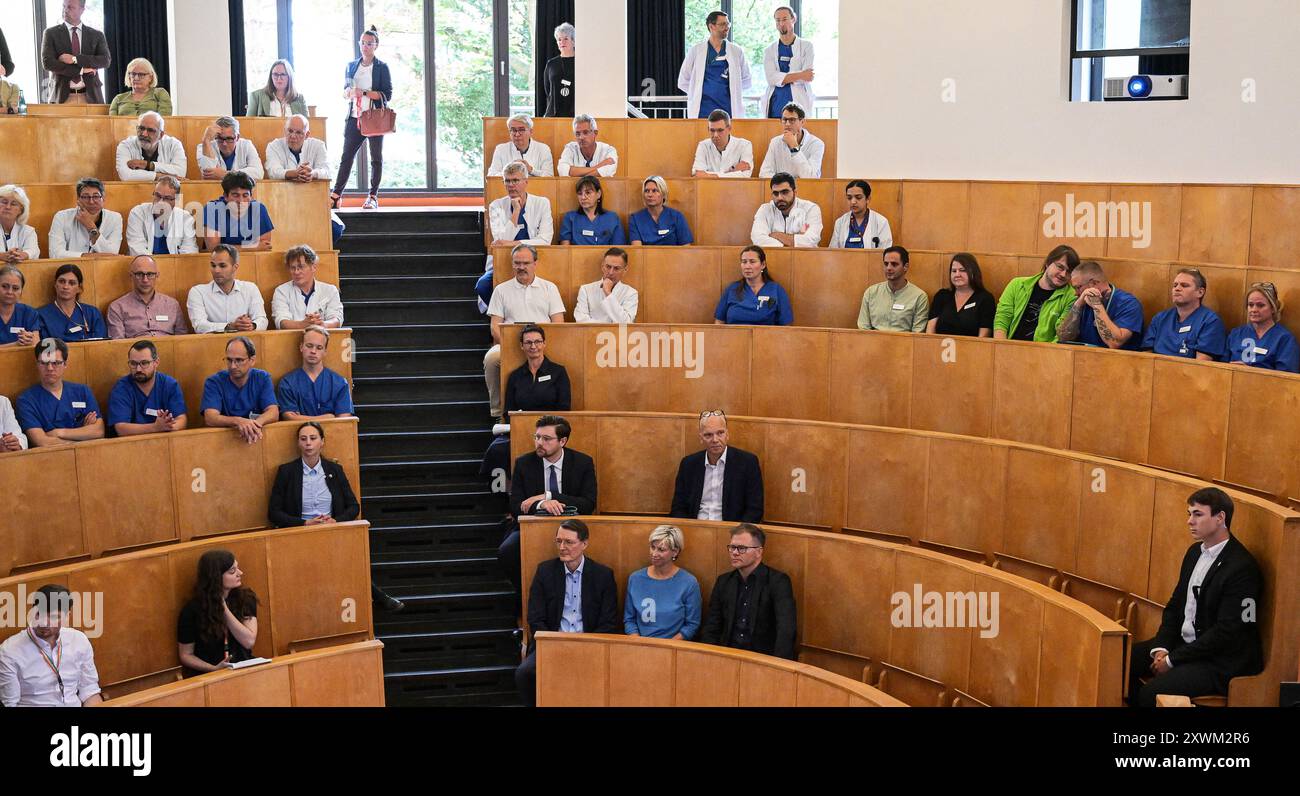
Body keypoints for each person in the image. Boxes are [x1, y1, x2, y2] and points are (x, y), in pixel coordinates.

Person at [1127, 488, 1262, 707]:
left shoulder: (1242, 568)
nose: (1190, 521)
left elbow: (1228, 632)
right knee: (1115, 662)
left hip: (1219, 661)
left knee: (1150, 694)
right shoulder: (1193, 553)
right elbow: (1174, 607)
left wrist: (1173, 660)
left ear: (1220, 518)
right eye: (1189, 514)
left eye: (1198, 514)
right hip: (1187, 645)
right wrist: (1161, 648)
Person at [515, 518, 619, 706]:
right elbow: (535, 618)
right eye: (559, 541)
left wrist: (586, 647)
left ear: (584, 544)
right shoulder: (545, 571)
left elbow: (608, 622)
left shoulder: (603, 575)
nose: (562, 547)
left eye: (569, 542)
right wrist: (554, 645)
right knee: (524, 674)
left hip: (590, 646)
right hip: (552, 644)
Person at [500, 415, 598, 597]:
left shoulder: (582, 462)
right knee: (507, 551)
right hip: (532, 523)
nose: (539, 443)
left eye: (546, 439)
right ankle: (524, 595)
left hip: (571, 526)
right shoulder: (524, 463)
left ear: (563, 441)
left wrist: (550, 495)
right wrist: (543, 503)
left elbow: (588, 504)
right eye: (537, 437)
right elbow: (515, 506)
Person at [484, 243, 566, 422]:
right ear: (512, 264)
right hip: (509, 344)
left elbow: (559, 324)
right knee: (491, 359)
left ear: (535, 263)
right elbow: (494, 327)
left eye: (526, 263)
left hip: (543, 344)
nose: (521, 267)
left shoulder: (549, 288)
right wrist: (512, 347)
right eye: (517, 263)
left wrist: (538, 344)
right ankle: (499, 414)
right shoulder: (501, 290)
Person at [699, 523, 797, 660]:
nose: (734, 552)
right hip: (726, 657)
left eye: (742, 548)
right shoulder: (724, 582)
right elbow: (712, 627)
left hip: (763, 661)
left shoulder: (778, 582)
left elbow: (786, 630)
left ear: (759, 552)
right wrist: (708, 658)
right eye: (732, 547)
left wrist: (777, 667)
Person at [0, 585, 102, 706]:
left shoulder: (79, 640)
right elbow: (10, 704)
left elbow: (89, 690)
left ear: (66, 617)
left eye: (53, 617)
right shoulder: (9, 651)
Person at [331, 26, 392, 210]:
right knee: (346, 156)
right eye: (363, 43)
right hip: (354, 117)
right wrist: (348, 93)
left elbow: (386, 95)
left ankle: (373, 196)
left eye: (369, 43)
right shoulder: (351, 65)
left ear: (376, 45)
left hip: (373, 117)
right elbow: (345, 90)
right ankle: (336, 195)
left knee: (376, 158)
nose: (365, 46)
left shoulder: (382, 67)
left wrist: (363, 92)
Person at [670, 410, 764, 522]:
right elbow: (678, 508)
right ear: (701, 438)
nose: (715, 440)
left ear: (727, 434)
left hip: (732, 532)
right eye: (708, 435)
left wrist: (738, 535)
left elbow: (755, 510)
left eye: (720, 433)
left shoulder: (747, 463)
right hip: (696, 529)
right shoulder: (688, 464)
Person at [177, 550, 259, 676]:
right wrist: (213, 669)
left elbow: (248, 641)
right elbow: (186, 655)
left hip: (244, 668)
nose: (240, 573)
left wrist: (223, 608)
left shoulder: (246, 599)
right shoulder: (192, 610)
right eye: (232, 571)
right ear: (215, 577)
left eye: (237, 568)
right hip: (208, 675)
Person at [268, 420, 361, 527]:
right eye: (303, 439)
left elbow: (354, 507)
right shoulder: (286, 471)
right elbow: (273, 513)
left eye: (313, 438)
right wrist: (304, 523)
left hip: (331, 529)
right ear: (298, 442)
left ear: (322, 441)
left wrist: (336, 521)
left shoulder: (335, 470)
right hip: (299, 532)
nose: (308, 443)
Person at [17, 337, 104, 447]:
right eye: (44, 363)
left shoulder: (82, 391)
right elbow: (42, 441)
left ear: (65, 364)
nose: (49, 368)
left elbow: (99, 431)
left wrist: (58, 432)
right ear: (37, 364)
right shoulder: (26, 400)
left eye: (56, 363)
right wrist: (83, 435)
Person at [624, 525, 702, 640]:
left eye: (661, 550)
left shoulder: (689, 583)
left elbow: (692, 625)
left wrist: (668, 647)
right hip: (640, 646)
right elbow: (629, 620)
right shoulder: (635, 579)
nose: (654, 553)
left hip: (673, 648)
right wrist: (638, 643)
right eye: (652, 547)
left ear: (675, 552)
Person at [200, 336, 279, 444]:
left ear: (252, 360)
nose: (233, 366)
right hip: (224, 443)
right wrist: (238, 421)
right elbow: (210, 418)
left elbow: (273, 412)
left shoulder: (262, 378)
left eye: (239, 360)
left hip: (256, 440)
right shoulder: (214, 382)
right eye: (229, 360)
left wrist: (253, 424)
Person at [993, 244, 1079, 343]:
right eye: (1060, 267)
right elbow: (1002, 319)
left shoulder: (1072, 296)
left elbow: (1061, 335)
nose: (1063, 274)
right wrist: (1001, 347)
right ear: (1048, 263)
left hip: (1044, 353)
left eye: (1069, 271)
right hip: (1010, 347)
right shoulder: (1017, 284)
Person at [1055, 260, 1145, 350]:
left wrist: (1096, 304)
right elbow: (1063, 337)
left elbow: (1114, 342)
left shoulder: (1129, 303)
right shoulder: (1082, 301)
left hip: (1117, 361)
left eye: (1078, 287)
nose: (1075, 293)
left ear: (1094, 283)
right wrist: (1078, 305)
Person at [1141, 268, 1228, 361]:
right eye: (1175, 285)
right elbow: (1146, 356)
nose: (1177, 289)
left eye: (1184, 285)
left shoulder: (1210, 321)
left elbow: (1202, 365)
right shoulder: (1160, 318)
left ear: (1200, 292)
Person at [679, 10, 752, 120]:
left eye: (728, 24)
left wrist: (733, 90)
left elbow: (747, 80)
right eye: (723, 24)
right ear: (711, 26)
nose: (727, 27)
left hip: (729, 111)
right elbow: (683, 81)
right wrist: (697, 92)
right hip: (702, 110)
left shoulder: (736, 51)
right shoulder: (696, 51)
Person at [107, 339, 188, 437]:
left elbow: (181, 419)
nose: (138, 369)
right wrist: (155, 427)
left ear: (156, 362)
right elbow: (121, 428)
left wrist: (168, 426)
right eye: (133, 363)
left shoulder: (169, 384)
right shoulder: (121, 388)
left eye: (144, 363)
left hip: (165, 441)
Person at [187, 244, 269, 333]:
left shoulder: (250, 288)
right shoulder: (198, 292)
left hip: (244, 342)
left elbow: (262, 320)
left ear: (235, 267)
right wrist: (229, 326)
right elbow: (199, 326)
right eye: (213, 265)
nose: (216, 270)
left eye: (222, 266)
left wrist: (251, 325)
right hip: (211, 344)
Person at [277, 326, 354, 420]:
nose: (313, 351)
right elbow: (289, 417)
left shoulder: (340, 383)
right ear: (301, 347)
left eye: (319, 347)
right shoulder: (287, 383)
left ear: (325, 351)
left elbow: (343, 420)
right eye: (309, 346)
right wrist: (328, 417)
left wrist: (300, 417)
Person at [41, 0, 109, 105]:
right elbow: (48, 63)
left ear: (82, 10)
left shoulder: (96, 35)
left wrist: (75, 59)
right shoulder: (50, 33)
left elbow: (105, 60)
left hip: (91, 98)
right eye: (64, 6)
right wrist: (81, 70)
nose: (65, 10)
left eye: (70, 7)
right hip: (61, 97)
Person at [105, 255, 189, 337]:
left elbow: (182, 339)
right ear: (131, 275)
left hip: (169, 349)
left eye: (150, 274)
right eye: (139, 274)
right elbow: (118, 345)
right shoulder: (117, 308)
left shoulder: (172, 305)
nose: (145, 280)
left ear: (157, 275)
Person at [1227, 282, 1299, 372]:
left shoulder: (1285, 339)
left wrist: (1249, 373)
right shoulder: (1236, 334)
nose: (1254, 310)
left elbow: (1286, 379)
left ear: (1273, 308)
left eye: (1260, 305)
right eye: (1250, 305)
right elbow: (1220, 367)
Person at [857, 245, 929, 333]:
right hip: (874, 343)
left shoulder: (919, 297)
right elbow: (863, 328)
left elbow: (917, 334)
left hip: (905, 345)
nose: (889, 268)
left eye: (894, 264)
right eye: (886, 264)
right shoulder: (871, 292)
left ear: (905, 267)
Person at [715, 245, 793, 326]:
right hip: (734, 337)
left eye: (752, 262)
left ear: (763, 265)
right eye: (744, 262)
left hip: (766, 337)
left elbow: (786, 325)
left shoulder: (776, 290)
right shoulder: (732, 289)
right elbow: (719, 322)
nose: (747, 266)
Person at [272, 245, 344, 330]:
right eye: (293, 268)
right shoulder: (281, 291)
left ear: (313, 267)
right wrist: (303, 325)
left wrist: (322, 325)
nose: (296, 272)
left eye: (301, 267)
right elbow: (281, 321)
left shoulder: (330, 290)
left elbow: (336, 318)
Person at [48, 178, 123, 258]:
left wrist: (91, 226)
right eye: (85, 197)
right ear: (78, 199)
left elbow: (113, 253)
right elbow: (55, 254)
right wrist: (86, 256)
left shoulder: (115, 218)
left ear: (103, 198)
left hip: (102, 268)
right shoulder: (61, 217)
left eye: (96, 196)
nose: (91, 201)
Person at [504, 324, 571, 414]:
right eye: (528, 342)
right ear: (522, 346)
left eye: (537, 342)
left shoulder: (559, 372)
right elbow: (508, 412)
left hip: (551, 426)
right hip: (523, 427)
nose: (533, 346)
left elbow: (564, 409)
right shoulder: (515, 376)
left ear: (544, 343)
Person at [926, 253, 996, 337]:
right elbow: (930, 331)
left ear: (973, 272)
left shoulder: (985, 299)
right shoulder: (942, 295)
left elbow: (984, 336)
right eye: (954, 271)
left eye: (962, 270)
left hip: (972, 348)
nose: (957, 274)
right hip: (939, 348)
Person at [126, 174, 198, 255]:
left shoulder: (185, 218)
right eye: (158, 195)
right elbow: (137, 248)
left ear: (176, 200)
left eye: (167, 198)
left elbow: (190, 251)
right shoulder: (138, 213)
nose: (160, 202)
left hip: (174, 266)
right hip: (146, 265)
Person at [763, 6, 815, 119]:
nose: (781, 23)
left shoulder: (807, 46)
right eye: (778, 20)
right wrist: (800, 75)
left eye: (785, 19)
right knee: (774, 136)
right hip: (776, 104)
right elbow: (771, 78)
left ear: (793, 19)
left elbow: (809, 76)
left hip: (799, 102)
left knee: (799, 134)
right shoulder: (769, 50)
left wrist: (781, 78)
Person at [201, 172, 275, 250]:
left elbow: (265, 246)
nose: (241, 200)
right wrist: (251, 247)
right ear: (225, 196)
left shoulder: (259, 209)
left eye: (245, 195)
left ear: (251, 196)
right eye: (235, 195)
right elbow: (214, 248)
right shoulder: (212, 209)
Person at [36, 263, 107, 341]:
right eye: (62, 281)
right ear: (55, 285)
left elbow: (101, 344)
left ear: (79, 288)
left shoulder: (92, 313)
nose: (66, 287)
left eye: (72, 283)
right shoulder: (40, 315)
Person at [488, 164, 554, 246]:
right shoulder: (496, 206)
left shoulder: (542, 203)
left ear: (526, 182)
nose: (511, 185)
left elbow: (545, 240)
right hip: (505, 254)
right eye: (507, 181)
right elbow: (501, 243)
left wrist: (514, 244)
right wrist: (516, 211)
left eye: (515, 180)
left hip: (535, 254)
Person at [750, 172, 822, 248]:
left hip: (804, 258)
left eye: (784, 192)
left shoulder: (810, 209)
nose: (779, 197)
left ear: (795, 192)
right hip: (774, 257)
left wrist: (778, 235)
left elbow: (811, 240)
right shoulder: (765, 209)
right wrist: (791, 243)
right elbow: (758, 239)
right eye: (775, 193)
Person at [116, 111, 188, 181]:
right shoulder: (125, 145)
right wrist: (159, 176)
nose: (144, 134)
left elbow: (180, 173)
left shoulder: (174, 144)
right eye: (141, 128)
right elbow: (125, 175)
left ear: (161, 135)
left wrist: (147, 165)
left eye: (150, 130)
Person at [759, 102, 824, 178]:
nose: (787, 124)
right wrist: (786, 184)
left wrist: (794, 148)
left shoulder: (817, 144)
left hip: (806, 188)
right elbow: (764, 174)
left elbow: (811, 177)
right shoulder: (775, 142)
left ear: (802, 121)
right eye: (784, 119)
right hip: (781, 189)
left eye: (792, 120)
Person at [574, 247, 638, 323]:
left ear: (625, 270)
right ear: (602, 267)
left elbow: (626, 323)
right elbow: (580, 320)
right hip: (591, 334)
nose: (611, 272)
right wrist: (607, 326)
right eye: (608, 267)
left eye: (616, 268)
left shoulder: (631, 293)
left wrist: (608, 293)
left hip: (619, 334)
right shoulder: (586, 289)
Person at [559, 176, 626, 246]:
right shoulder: (570, 218)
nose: (583, 197)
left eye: (588, 193)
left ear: (598, 194)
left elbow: (618, 250)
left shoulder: (612, 218)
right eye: (579, 193)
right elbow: (565, 251)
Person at [627, 176, 693, 246]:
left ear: (663, 194)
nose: (650, 195)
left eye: (655, 191)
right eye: (646, 191)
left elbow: (686, 248)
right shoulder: (635, 219)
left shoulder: (677, 217)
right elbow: (637, 250)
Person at [196, 116, 265, 181]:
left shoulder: (246, 145)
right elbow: (208, 176)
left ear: (237, 137)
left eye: (229, 138)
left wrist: (226, 174)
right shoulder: (204, 146)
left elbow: (258, 173)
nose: (224, 143)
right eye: (220, 138)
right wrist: (206, 140)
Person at [829, 180, 893, 249]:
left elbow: (885, 252)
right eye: (849, 198)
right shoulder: (840, 222)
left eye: (858, 197)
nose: (853, 202)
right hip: (844, 259)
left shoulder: (881, 222)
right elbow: (833, 251)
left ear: (868, 199)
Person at [266, 114, 330, 182]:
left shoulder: (318, 146)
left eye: (298, 132)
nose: (293, 136)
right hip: (283, 191)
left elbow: (326, 171)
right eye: (290, 131)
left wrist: (312, 173)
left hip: (312, 190)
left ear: (307, 135)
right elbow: (272, 172)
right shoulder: (273, 146)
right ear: (285, 130)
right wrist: (294, 173)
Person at [487, 113, 555, 177]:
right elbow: (491, 175)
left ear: (530, 131)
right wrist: (510, 171)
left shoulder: (543, 148)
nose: (517, 134)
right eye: (513, 130)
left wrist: (531, 170)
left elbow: (549, 176)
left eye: (521, 130)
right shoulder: (501, 149)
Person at [692, 110, 754, 178]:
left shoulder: (745, 145)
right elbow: (698, 174)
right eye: (712, 130)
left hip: (736, 188)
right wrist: (731, 171)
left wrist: (710, 175)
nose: (715, 135)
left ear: (729, 129)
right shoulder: (703, 146)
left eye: (720, 130)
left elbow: (746, 175)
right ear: (708, 129)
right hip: (709, 188)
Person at [0, 265, 43, 347]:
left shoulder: (29, 313)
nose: (10, 292)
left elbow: (36, 346)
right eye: (4, 286)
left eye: (15, 288)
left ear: (21, 292)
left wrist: (29, 341)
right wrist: (15, 345)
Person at [542, 23, 576, 118]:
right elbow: (548, 89)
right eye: (559, 39)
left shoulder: (580, 62)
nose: (562, 42)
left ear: (573, 41)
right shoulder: (551, 64)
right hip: (553, 114)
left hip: (575, 114)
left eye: (566, 39)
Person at [0, 184, 40, 261]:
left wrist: (23, 255)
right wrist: (1, 256)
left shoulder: (28, 231)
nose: (8, 207)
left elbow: (33, 251)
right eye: (4, 202)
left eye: (13, 204)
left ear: (21, 210)